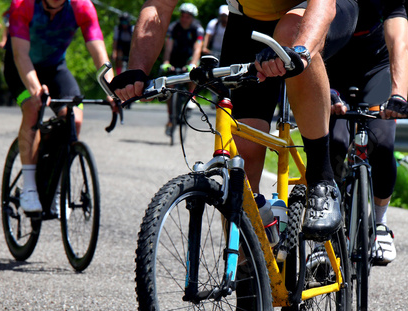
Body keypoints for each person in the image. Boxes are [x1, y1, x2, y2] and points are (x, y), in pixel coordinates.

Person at [110, 0, 358, 242]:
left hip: (316, 11)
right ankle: (247, 267)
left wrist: (301, 52)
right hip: (248, 22)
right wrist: (137, 70)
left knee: (289, 31)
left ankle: (322, 180)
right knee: (243, 164)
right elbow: (158, 6)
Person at [4, 0, 116, 213]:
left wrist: (112, 90)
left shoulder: (82, 7)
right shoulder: (23, 4)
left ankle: (53, 185)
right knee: (31, 107)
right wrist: (36, 89)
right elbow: (20, 55)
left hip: (55, 68)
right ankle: (29, 186)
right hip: (20, 68)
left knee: (74, 118)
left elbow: (99, 54)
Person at [327, 0, 408, 265]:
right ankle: (326, 233)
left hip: (377, 67)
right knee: (335, 143)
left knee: (381, 143)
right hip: (331, 68)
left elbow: (399, 44)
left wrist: (398, 94)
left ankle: (380, 223)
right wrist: (320, 91)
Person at [160, 3, 204, 136]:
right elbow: (168, 46)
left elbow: (198, 48)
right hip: (175, 58)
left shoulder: (198, 29)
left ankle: (192, 96)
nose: (184, 19)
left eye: (187, 17)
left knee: (194, 72)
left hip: (189, 58)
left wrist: (193, 63)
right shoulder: (173, 27)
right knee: (169, 88)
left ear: (192, 18)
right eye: (182, 16)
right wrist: (166, 62)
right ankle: (170, 118)